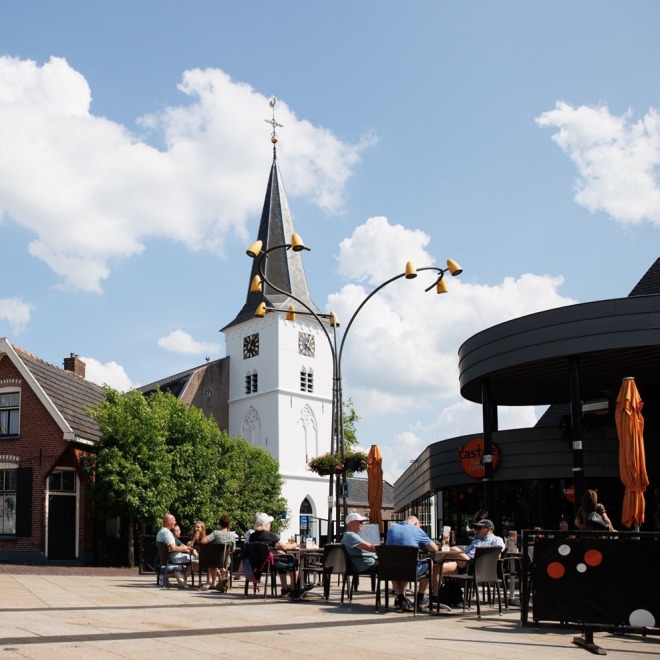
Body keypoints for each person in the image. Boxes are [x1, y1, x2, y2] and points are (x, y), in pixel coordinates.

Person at [385, 515, 438, 612]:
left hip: (391, 570)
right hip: (411, 569)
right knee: (429, 563)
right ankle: (421, 597)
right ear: (416, 523)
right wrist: (422, 546)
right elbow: (435, 548)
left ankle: (401, 598)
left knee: (397, 564)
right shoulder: (416, 529)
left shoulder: (391, 529)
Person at [247, 512, 299, 597]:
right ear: (265, 524)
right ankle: (293, 589)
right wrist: (294, 545)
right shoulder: (269, 535)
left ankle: (285, 589)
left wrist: (277, 551)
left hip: (258, 566)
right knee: (294, 561)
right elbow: (285, 547)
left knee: (284, 559)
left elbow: (268, 548)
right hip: (272, 564)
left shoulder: (252, 536)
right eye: (269, 523)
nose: (270, 525)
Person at [156, 513, 194, 588]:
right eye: (174, 520)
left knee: (195, 560)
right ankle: (179, 577)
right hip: (174, 558)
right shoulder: (167, 533)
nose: (175, 522)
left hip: (166, 559)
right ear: (169, 521)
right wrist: (185, 548)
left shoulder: (160, 531)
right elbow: (173, 548)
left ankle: (172, 576)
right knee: (199, 561)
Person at [199, 515, 237, 591]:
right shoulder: (232, 535)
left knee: (211, 563)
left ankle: (213, 582)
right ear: (228, 524)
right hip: (226, 560)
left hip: (215, 560)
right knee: (218, 563)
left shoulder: (216, 533)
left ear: (219, 524)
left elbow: (203, 541)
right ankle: (223, 574)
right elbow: (233, 549)